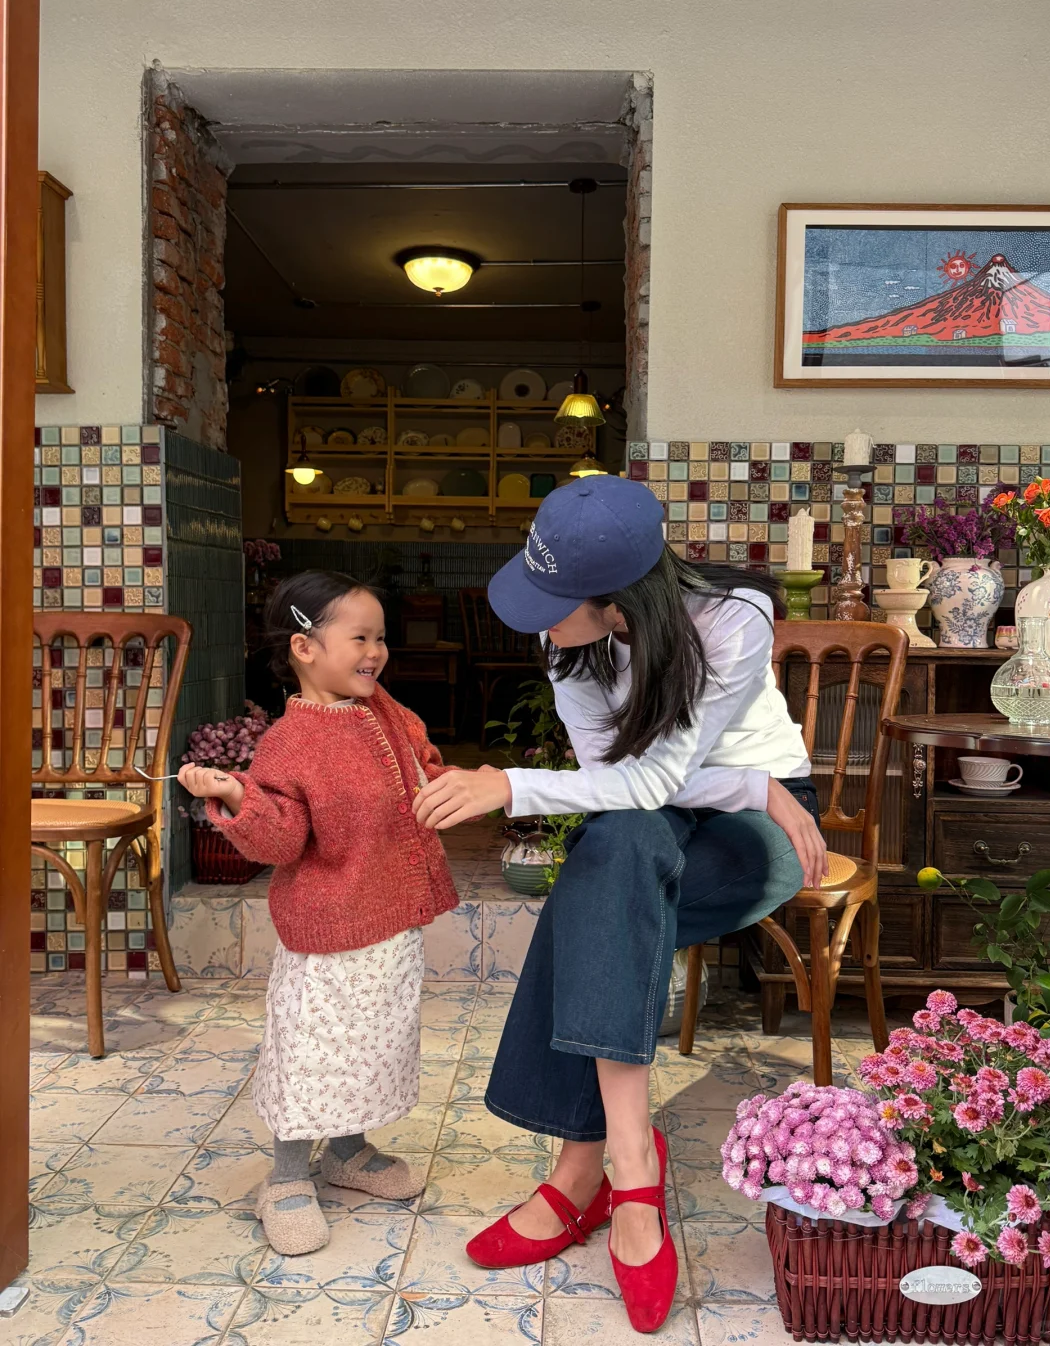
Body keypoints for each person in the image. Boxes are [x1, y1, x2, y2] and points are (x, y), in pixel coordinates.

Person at [413, 477, 826, 1334]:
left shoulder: (732, 622)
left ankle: (582, 1176)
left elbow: (652, 778)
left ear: (619, 600)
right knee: (619, 854)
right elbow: (622, 785)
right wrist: (744, 782)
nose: (537, 622)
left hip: (767, 825)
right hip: (693, 807)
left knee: (599, 896)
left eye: (554, 604)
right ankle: (631, 1172)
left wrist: (508, 784)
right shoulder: (569, 642)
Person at [180, 570, 459, 1257]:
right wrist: (237, 796)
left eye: (381, 638)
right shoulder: (291, 741)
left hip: (390, 918)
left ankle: (348, 1151)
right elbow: (280, 840)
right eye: (360, 638)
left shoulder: (379, 709)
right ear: (305, 648)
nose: (376, 652)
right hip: (329, 933)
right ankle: (284, 1178)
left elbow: (416, 756)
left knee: (373, 1043)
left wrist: (441, 778)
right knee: (313, 1052)